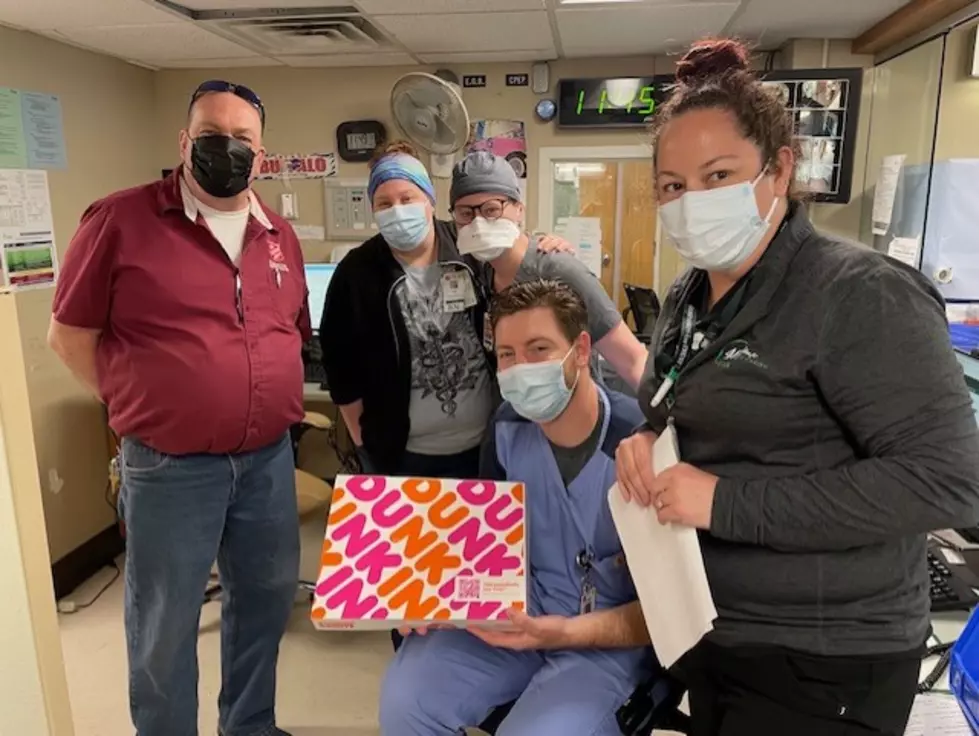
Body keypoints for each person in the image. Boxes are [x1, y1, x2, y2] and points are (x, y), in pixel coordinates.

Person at [613, 39, 979, 736]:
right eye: (671, 186)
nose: (691, 203)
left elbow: (944, 482)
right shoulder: (692, 294)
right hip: (714, 629)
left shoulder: (858, 296)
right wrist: (643, 438)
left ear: (778, 169)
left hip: (825, 655)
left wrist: (728, 503)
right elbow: (681, 403)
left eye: (717, 174)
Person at [48, 80, 305, 736]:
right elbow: (69, 336)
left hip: (267, 460)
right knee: (163, 622)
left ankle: (250, 725)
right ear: (184, 141)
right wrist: (142, 402)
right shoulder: (121, 219)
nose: (227, 146)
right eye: (212, 132)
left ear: (261, 151)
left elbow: (288, 327)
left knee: (265, 604)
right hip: (169, 468)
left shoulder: (277, 233)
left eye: (242, 137)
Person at [379, 279, 654, 735]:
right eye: (507, 354)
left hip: (607, 642)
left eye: (539, 348)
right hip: (517, 614)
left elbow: (664, 618)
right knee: (406, 701)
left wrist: (562, 633)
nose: (520, 367)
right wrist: (426, 593)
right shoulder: (507, 430)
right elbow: (482, 550)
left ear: (582, 350)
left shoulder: (639, 445)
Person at [319, 141, 569, 478]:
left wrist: (544, 247)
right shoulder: (356, 273)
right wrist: (365, 444)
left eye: (407, 199)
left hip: (485, 444)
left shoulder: (470, 246)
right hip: (399, 455)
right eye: (384, 203)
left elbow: (515, 258)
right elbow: (341, 370)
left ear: (429, 200)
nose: (396, 210)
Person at [450, 151, 649, 390]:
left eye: (492, 210)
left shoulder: (559, 270)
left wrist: (662, 421)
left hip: (575, 416)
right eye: (466, 213)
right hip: (518, 417)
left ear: (519, 209)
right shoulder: (484, 274)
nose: (478, 223)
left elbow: (633, 360)